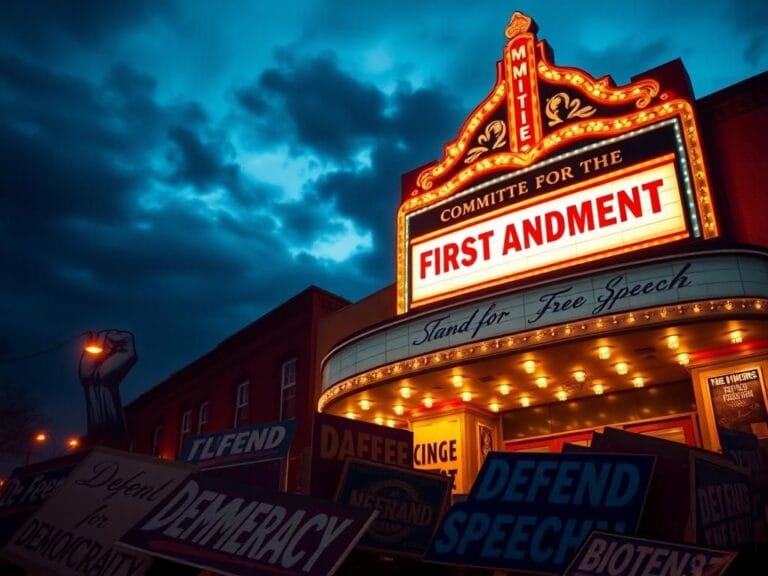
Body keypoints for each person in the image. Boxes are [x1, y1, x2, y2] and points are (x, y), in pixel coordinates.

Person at [78, 329, 137, 447]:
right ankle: (104, 438)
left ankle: (110, 438)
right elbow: (89, 377)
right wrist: (89, 378)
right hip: (102, 445)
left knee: (102, 383)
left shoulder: (120, 342)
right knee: (96, 383)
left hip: (111, 446)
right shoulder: (92, 380)